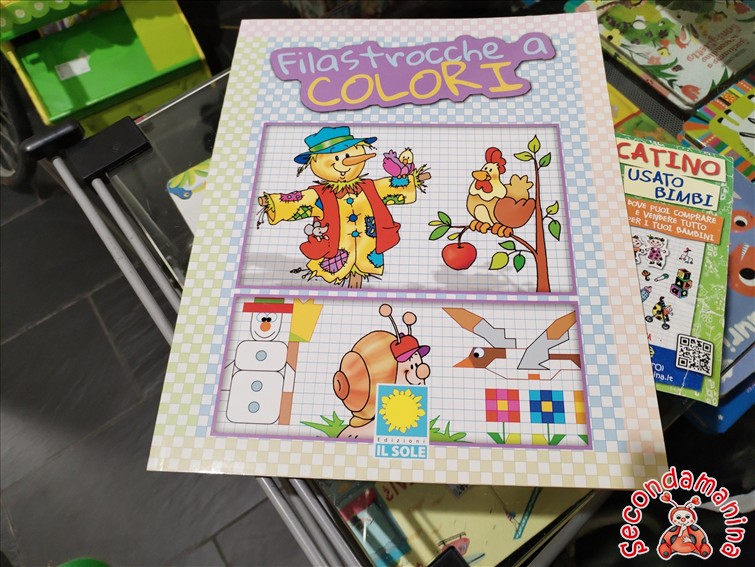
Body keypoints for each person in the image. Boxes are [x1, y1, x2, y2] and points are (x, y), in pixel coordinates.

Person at [258, 126, 430, 287]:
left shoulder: (371, 187)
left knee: (363, 265)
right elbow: (297, 200)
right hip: (337, 243)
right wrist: (273, 202)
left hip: (367, 241)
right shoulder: (319, 195)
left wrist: (413, 180)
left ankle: (357, 283)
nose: (344, 164)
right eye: (336, 158)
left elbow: (391, 186)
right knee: (334, 272)